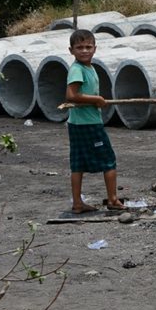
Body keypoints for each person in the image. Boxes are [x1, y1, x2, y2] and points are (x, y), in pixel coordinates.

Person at [65, 29, 123, 212]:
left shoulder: (89, 68)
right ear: (71, 50)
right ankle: (113, 199)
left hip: (78, 123)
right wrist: (96, 100)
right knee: (108, 160)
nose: (84, 51)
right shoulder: (77, 69)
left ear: (95, 48)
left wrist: (94, 100)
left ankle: (77, 203)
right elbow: (71, 95)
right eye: (79, 47)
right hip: (88, 124)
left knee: (78, 164)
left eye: (88, 47)